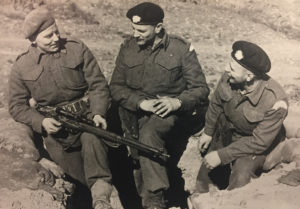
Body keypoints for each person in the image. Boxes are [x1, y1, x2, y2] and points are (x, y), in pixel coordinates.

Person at [9, 7, 113, 209]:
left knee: (94, 145)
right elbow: (16, 106)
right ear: (33, 40)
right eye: (48, 36)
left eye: (57, 31)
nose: (56, 38)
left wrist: (99, 112)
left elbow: (98, 85)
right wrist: (41, 122)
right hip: (58, 133)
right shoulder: (22, 66)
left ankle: (102, 201)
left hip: (88, 118)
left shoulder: (76, 48)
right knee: (75, 183)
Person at [109, 2, 210, 209]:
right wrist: (140, 103)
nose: (135, 34)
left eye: (141, 30)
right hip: (135, 111)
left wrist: (177, 102)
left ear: (158, 27)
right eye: (133, 29)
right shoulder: (127, 48)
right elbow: (116, 87)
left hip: (169, 113)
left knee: (149, 136)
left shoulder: (180, 49)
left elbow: (200, 89)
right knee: (128, 152)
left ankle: (155, 200)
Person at [195, 40, 288, 193]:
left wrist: (222, 155)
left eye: (232, 68)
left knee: (241, 176)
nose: (226, 69)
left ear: (249, 76)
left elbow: (260, 142)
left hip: (254, 144)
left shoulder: (275, 100)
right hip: (227, 134)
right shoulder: (229, 77)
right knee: (204, 176)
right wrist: (208, 131)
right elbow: (216, 104)